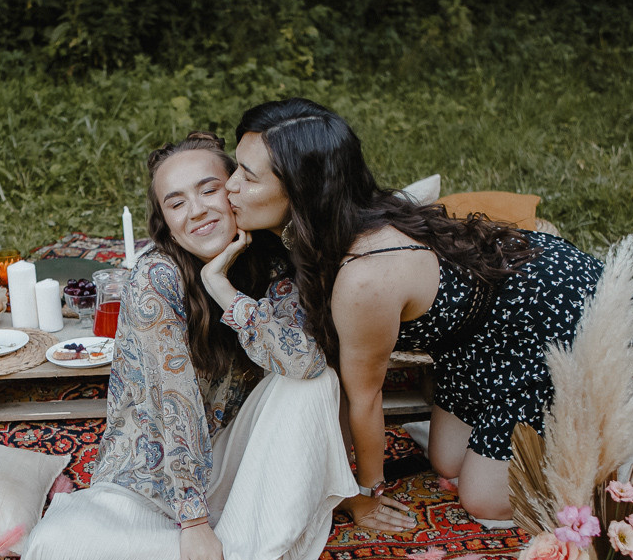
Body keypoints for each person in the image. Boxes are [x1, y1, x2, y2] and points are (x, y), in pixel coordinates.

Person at [5, 132, 410, 560]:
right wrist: (193, 520)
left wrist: (225, 290)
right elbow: (176, 406)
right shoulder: (155, 278)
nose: (196, 211)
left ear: (236, 191)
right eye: (176, 202)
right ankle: (238, 539)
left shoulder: (274, 263)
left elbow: (304, 362)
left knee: (314, 383)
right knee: (56, 555)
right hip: (152, 482)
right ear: (164, 219)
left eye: (208, 189)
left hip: (237, 457)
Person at [225, 98, 603, 524]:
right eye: (235, 166)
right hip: (475, 331)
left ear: (301, 190)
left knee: (484, 500)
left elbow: (364, 397)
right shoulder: (336, 222)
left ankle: (627, 405)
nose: (230, 187)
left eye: (248, 177)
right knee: (446, 462)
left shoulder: (363, 278)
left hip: (542, 314)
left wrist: (367, 491)